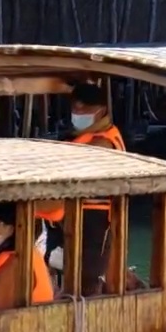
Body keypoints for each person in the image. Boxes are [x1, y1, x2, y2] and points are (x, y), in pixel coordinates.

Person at [37, 82, 126, 295]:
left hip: (93, 222)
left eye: (84, 108)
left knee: (85, 282)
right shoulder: (83, 137)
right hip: (67, 220)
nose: (77, 113)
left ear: (101, 110)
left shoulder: (103, 143)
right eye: (75, 108)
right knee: (61, 274)